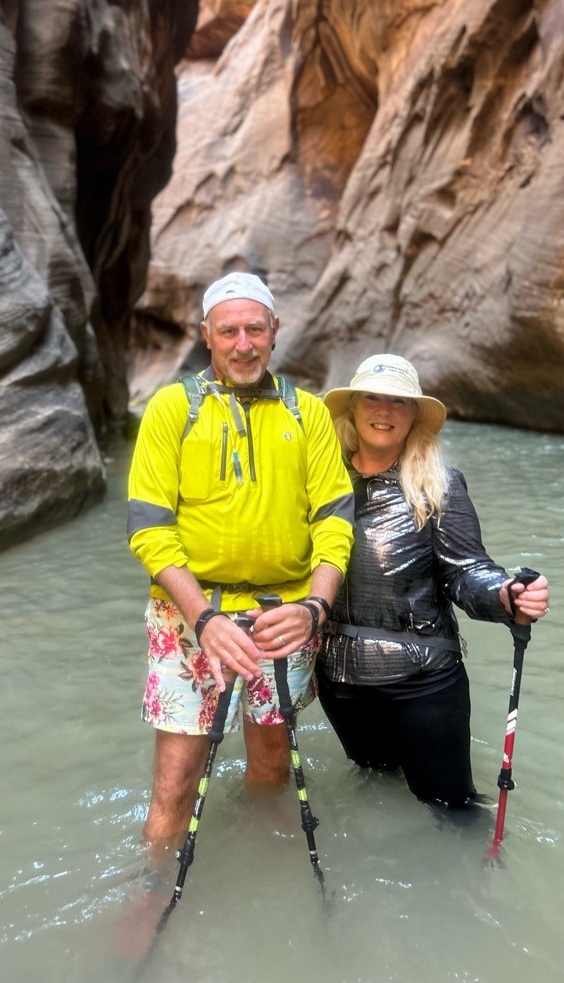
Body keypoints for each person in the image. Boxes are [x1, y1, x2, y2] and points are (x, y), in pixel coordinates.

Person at [127, 272, 354, 868]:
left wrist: (315, 608)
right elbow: (150, 529)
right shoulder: (173, 409)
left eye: (256, 328)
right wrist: (204, 619)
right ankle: (154, 886)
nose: (244, 344)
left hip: (285, 616)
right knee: (176, 780)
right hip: (188, 617)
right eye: (228, 331)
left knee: (272, 763)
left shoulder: (308, 414)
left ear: (276, 330)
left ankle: (259, 867)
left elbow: (334, 521)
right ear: (207, 335)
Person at [315, 353, 550, 809]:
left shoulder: (438, 485)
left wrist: (506, 595)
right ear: (353, 407)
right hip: (339, 682)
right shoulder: (323, 479)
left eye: (399, 402)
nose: (384, 411)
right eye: (372, 398)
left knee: (452, 812)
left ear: (413, 415)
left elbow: (467, 570)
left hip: (422, 683)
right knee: (376, 790)